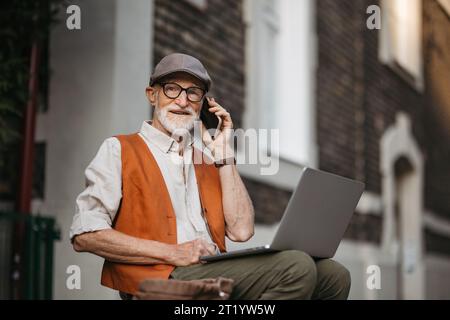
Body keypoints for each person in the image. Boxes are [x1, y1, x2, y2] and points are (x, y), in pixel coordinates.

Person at [70, 53, 351, 300]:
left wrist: (224, 155)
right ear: (151, 94)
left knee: (333, 275)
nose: (182, 100)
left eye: (193, 93)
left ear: (203, 104)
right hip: (164, 278)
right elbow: (85, 235)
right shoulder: (119, 149)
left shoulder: (207, 161)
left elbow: (241, 231)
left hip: (215, 270)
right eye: (171, 89)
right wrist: (172, 252)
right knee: (296, 266)